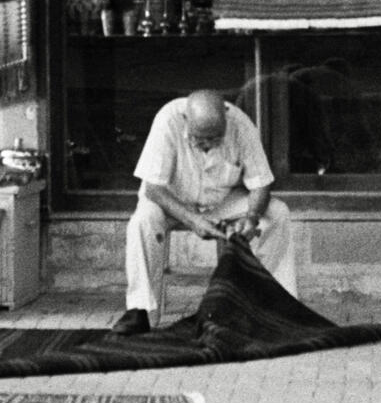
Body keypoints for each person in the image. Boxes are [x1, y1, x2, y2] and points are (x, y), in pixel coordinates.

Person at [110, 87, 295, 335]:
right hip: (173, 199)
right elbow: (153, 188)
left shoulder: (242, 125)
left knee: (277, 213)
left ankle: (274, 305)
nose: (207, 144)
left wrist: (251, 217)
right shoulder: (167, 119)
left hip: (223, 200)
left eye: (215, 138)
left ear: (226, 119)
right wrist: (192, 219)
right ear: (187, 119)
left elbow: (261, 184)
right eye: (200, 138)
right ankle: (140, 310)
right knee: (142, 221)